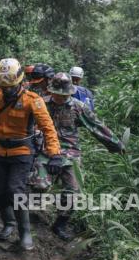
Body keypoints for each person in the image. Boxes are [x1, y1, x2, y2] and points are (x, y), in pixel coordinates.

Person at [0, 58, 62, 251]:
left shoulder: (32, 100)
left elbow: (48, 128)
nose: (7, 91)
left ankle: (25, 232)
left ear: (19, 81)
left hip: (21, 151)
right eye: (4, 87)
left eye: (10, 87)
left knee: (15, 190)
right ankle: (8, 223)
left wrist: (54, 154)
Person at [45, 72, 125, 240]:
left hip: (70, 151)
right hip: (45, 152)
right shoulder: (41, 104)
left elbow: (97, 127)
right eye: (57, 94)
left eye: (64, 95)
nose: (60, 98)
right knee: (37, 184)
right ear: (51, 91)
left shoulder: (78, 107)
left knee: (74, 191)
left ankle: (60, 224)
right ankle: (33, 214)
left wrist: (117, 145)